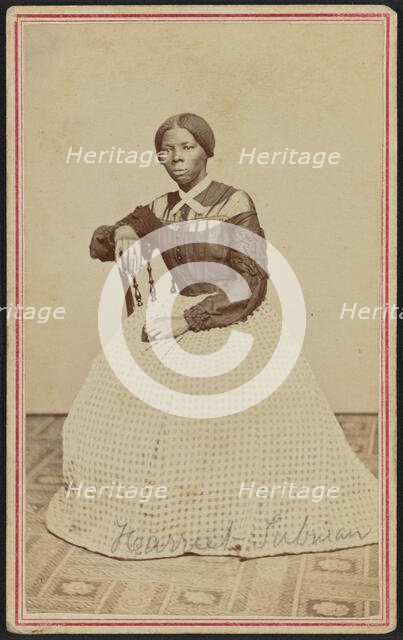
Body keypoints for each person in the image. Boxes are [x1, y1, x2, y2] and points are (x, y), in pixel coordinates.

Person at [47, 113, 378, 560]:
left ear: (207, 149)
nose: (176, 158)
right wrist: (123, 229)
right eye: (167, 150)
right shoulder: (161, 207)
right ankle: (175, 508)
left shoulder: (232, 201)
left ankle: (225, 512)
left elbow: (253, 276)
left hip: (232, 315)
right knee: (120, 398)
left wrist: (190, 322)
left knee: (230, 415)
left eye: (187, 147)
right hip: (175, 309)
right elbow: (109, 240)